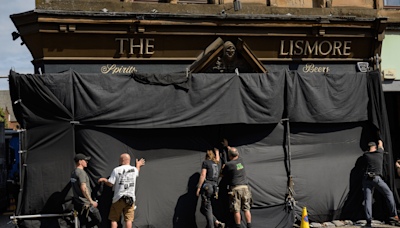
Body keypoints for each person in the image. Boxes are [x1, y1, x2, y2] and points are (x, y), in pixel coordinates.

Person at [98, 153, 145, 228]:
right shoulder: (134, 169)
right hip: (130, 198)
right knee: (128, 220)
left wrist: (103, 179)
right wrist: (138, 165)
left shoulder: (116, 170)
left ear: (123, 161)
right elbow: (137, 171)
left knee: (114, 219)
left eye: (120, 159)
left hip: (118, 198)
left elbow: (110, 184)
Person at [362, 140, 399, 227]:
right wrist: (380, 138)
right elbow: (381, 144)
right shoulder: (379, 153)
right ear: (375, 147)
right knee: (389, 194)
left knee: (368, 200)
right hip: (376, 178)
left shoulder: (365, 155)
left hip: (366, 179)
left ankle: (368, 221)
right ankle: (394, 215)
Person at [221, 139, 252, 228]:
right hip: (245, 188)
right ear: (237, 155)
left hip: (235, 189)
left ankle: (238, 226)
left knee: (236, 210)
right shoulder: (241, 160)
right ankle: (249, 226)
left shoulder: (228, 165)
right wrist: (228, 147)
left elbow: (222, 174)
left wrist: (223, 167)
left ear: (229, 156)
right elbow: (234, 153)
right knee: (247, 209)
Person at [70, 153, 102, 228]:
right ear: (80, 161)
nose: (87, 162)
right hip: (86, 203)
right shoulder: (81, 173)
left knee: (83, 223)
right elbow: (83, 187)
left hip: (78, 203)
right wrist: (91, 201)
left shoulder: (73, 172)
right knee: (98, 219)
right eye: (85, 160)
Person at [196, 149, 225, 228]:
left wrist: (198, 188)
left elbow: (203, 175)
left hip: (207, 187)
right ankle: (216, 222)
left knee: (207, 208)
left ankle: (211, 226)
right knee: (204, 209)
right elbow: (218, 159)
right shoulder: (217, 164)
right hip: (215, 188)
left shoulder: (205, 162)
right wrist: (217, 153)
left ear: (206, 156)